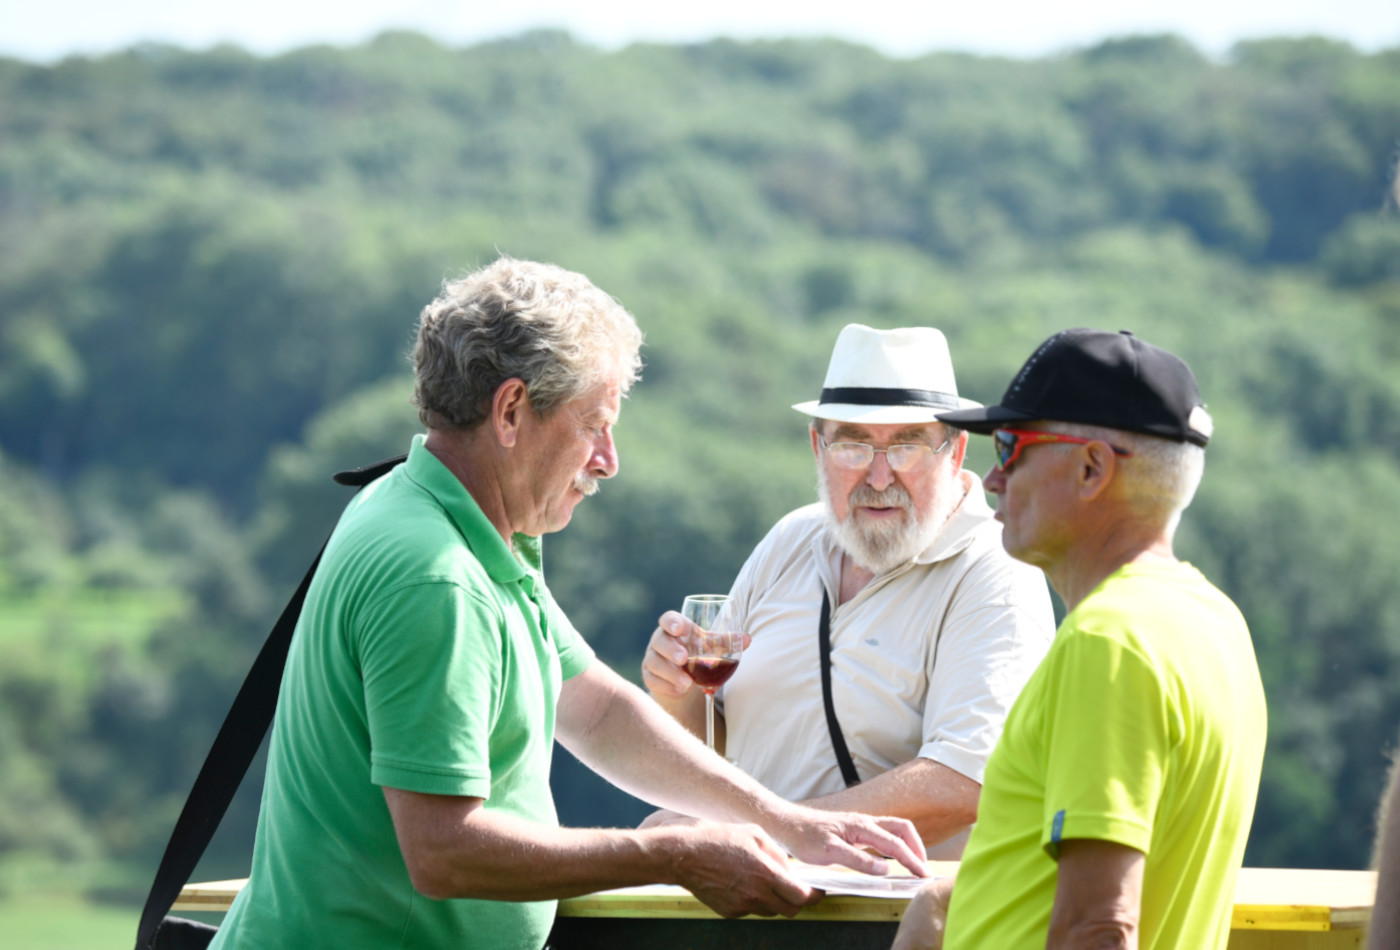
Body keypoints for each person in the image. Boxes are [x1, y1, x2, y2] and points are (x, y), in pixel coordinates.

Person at [209, 259, 926, 950]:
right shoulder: (438, 578)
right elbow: (442, 852)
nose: (609, 459)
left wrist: (785, 822)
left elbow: (592, 707)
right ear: (512, 410)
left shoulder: (460, 519)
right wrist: (670, 855)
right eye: (594, 426)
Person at [890, 328, 1268, 950]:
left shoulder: (1108, 641)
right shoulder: (1215, 622)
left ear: (1092, 467)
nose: (992, 478)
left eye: (1011, 447)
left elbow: (1101, 925)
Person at [641, 323, 1055, 855]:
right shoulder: (790, 539)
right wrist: (675, 696)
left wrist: (764, 833)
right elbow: (729, 743)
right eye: (854, 447)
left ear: (954, 454)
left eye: (906, 447)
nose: (879, 477)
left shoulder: (994, 568)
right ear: (818, 447)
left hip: (894, 926)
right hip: (750, 913)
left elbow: (964, 784)